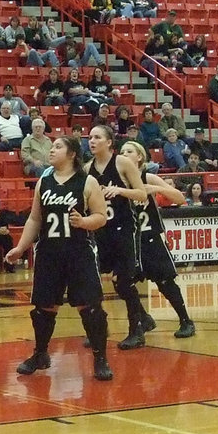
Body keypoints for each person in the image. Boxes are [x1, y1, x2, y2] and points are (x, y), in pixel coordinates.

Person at [6, 136, 112, 381]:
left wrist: (84, 222)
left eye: (58, 147)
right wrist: (21, 247)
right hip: (48, 253)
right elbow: (35, 219)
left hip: (79, 252)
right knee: (44, 307)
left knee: (90, 307)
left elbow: (101, 216)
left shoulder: (87, 182)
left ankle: (100, 358)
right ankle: (40, 354)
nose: (51, 150)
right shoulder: (43, 182)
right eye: (52, 147)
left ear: (72, 153)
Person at [115, 141, 196, 339]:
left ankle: (186, 320)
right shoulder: (116, 181)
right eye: (122, 151)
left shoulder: (147, 177)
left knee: (164, 281)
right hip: (128, 240)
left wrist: (154, 188)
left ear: (139, 157)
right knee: (121, 282)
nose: (124, 154)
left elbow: (180, 198)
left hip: (150, 237)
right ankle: (144, 318)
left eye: (129, 151)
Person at [87, 124, 149, 349]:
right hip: (101, 230)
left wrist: (120, 190)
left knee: (123, 281)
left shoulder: (122, 163)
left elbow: (142, 194)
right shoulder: (87, 168)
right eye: (90, 137)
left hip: (124, 228)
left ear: (109, 142)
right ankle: (99, 327)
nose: (92, 141)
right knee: (92, 282)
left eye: (97, 137)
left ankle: (137, 331)